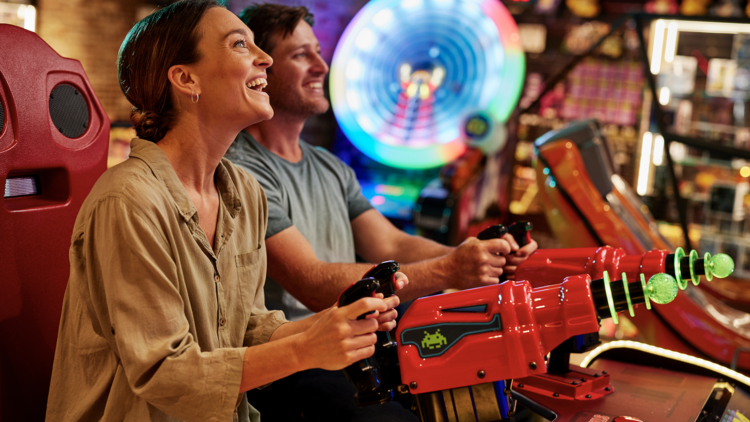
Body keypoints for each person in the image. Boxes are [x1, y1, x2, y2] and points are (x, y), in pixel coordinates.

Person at [45, 1, 402, 421]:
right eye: (239, 45)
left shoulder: (244, 192)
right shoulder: (128, 200)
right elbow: (165, 373)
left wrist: (334, 323)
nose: (265, 59)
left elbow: (247, 327)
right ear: (185, 78)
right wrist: (307, 348)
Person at [224, 4, 538, 421]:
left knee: (501, 402)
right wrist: (448, 270)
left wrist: (473, 253)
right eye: (301, 55)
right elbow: (313, 284)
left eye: (319, 52)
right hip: (295, 357)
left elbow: (391, 242)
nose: (322, 66)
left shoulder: (329, 166)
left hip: (360, 342)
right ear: (263, 68)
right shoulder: (242, 168)